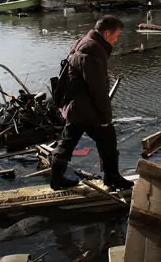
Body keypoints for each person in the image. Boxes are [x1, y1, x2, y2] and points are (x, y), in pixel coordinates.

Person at [50, 15, 133, 190]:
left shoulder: (83, 42)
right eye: (116, 35)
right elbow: (97, 88)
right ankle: (112, 178)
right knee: (108, 139)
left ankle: (56, 179)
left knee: (67, 142)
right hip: (86, 108)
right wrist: (105, 117)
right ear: (106, 32)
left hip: (75, 106)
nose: (116, 39)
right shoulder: (93, 49)